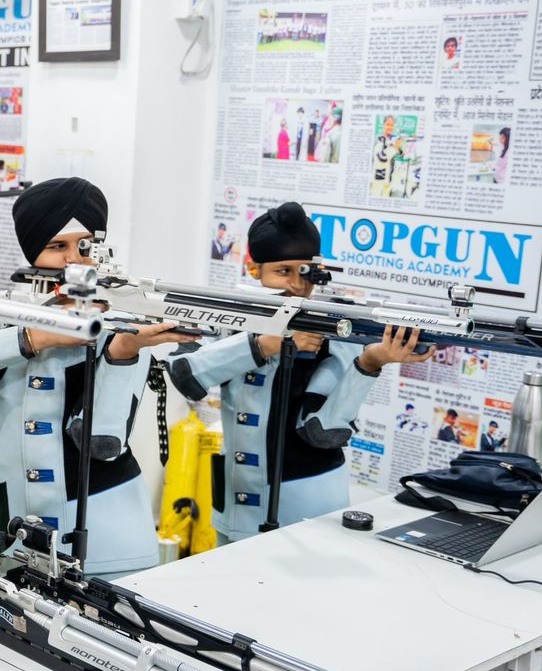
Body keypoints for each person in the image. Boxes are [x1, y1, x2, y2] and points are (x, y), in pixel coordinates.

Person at [0, 178, 188, 579]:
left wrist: (122, 353)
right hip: (19, 527)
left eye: (86, 246)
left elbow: (101, 441)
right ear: (32, 252)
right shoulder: (4, 311)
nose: (75, 262)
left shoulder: (120, 317)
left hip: (106, 533)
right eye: (57, 247)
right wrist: (36, 337)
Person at [166, 203, 428, 543]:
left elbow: (323, 432)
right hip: (236, 505)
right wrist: (265, 344)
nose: (295, 285)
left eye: (304, 272)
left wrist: (371, 362)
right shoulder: (234, 315)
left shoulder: (334, 321)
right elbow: (186, 373)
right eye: (282, 271)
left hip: (306, 506)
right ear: (253, 269)